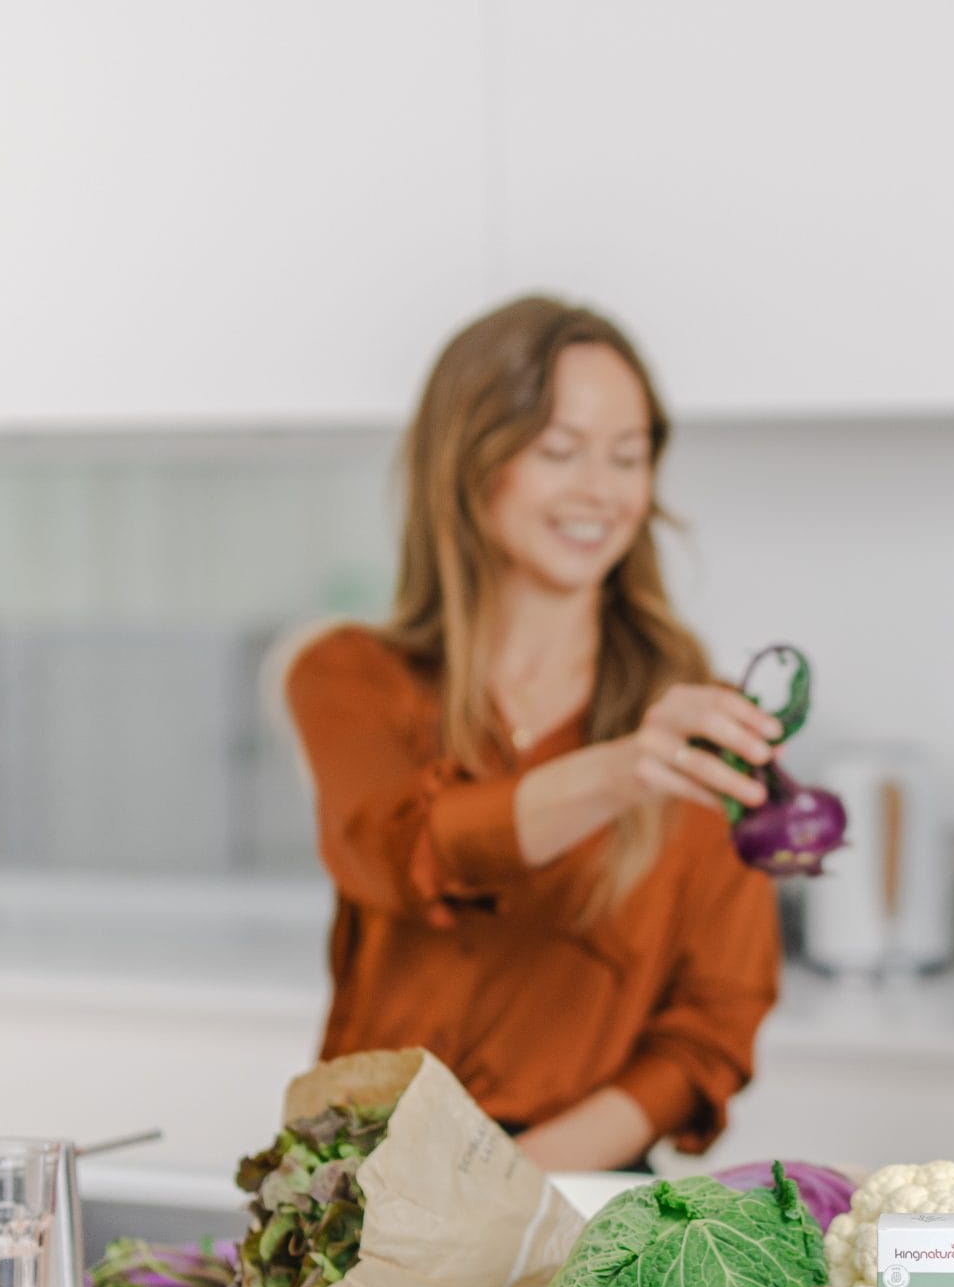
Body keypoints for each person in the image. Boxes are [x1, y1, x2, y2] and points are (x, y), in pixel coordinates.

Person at [287, 295, 783, 1170]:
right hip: (365, 1180)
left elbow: (712, 1024)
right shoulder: (351, 677)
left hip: (577, 1197)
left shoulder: (693, 718)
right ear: (469, 463)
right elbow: (411, 848)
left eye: (628, 457)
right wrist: (621, 773)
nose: (601, 489)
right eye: (559, 451)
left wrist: (511, 1190)